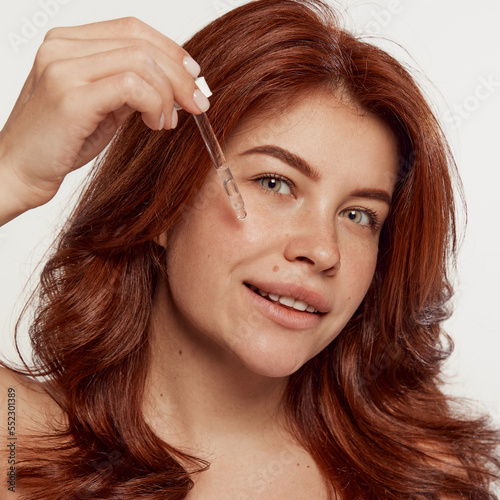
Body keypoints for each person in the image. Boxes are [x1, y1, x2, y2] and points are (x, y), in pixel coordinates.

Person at [0, 0, 499, 498]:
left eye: (358, 215)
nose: (323, 250)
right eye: (276, 183)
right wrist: (11, 174)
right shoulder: (17, 443)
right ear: (163, 203)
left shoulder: (431, 481)